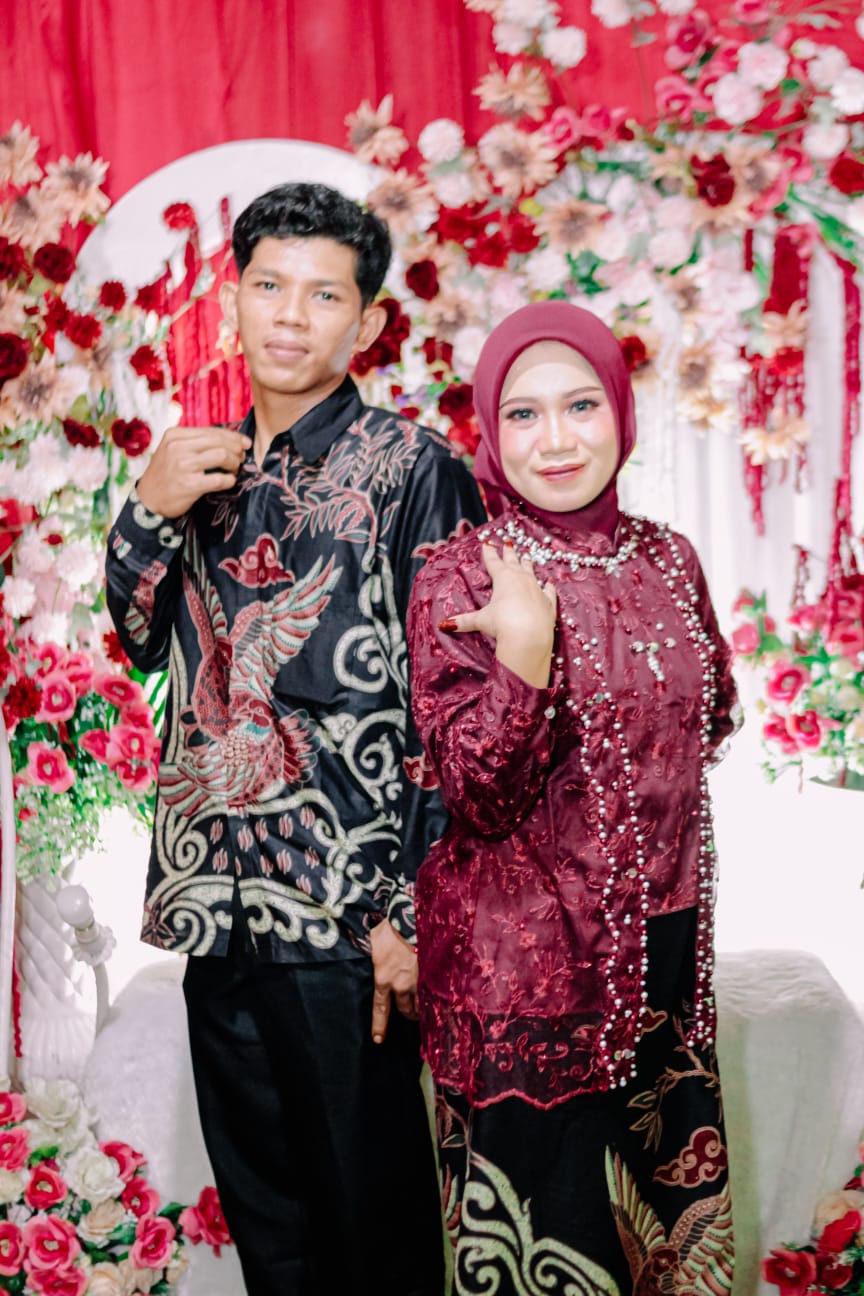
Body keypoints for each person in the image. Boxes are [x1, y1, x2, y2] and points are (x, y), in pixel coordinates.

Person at [105, 181, 485, 1296]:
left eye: (324, 295)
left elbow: (457, 705)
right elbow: (138, 636)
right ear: (233, 301)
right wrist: (146, 506)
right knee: (271, 1231)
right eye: (268, 286)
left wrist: (408, 913)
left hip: (346, 923)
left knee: (374, 1229)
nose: (290, 314)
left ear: (368, 320)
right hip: (216, 906)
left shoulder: (414, 471)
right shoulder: (196, 469)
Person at [407, 301, 740, 1296]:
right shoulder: (462, 576)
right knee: (549, 1260)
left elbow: (710, 716)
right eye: (523, 413)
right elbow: (477, 795)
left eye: (581, 405)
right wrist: (525, 652)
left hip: (664, 973)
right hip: (529, 997)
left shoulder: (669, 559)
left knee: (666, 1251)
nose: (556, 439)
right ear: (490, 430)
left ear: (622, 413)